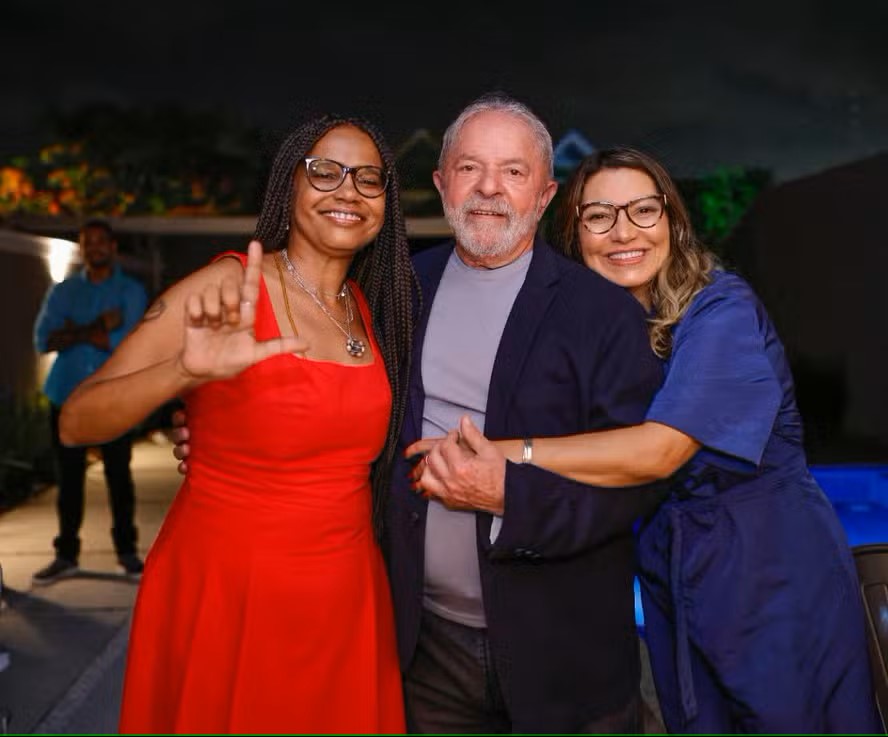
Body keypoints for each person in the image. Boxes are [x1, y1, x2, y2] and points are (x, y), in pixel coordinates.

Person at [170, 94, 662, 733]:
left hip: (562, 651)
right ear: (440, 183)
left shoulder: (603, 314)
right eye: (469, 168)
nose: (489, 188)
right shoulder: (397, 288)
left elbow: (640, 479)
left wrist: (511, 495)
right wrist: (221, 428)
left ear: (544, 195)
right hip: (423, 650)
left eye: (513, 172)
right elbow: (335, 405)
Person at [410, 147, 882, 733]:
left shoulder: (720, 308)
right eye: (599, 216)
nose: (622, 232)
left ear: (672, 221)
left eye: (642, 211)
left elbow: (659, 451)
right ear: (574, 233)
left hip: (766, 564)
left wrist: (506, 450)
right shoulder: (598, 329)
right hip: (670, 562)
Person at [59, 114, 417, 733]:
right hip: (231, 594)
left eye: (368, 178)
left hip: (347, 598)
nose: (348, 191)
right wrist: (182, 372)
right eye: (324, 171)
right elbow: (77, 420)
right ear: (289, 186)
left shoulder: (368, 304)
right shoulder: (228, 286)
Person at [32, 218, 148, 583]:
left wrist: (73, 332)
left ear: (113, 248)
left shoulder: (130, 291)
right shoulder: (63, 291)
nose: (94, 247)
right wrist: (99, 326)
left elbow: (130, 346)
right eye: (88, 242)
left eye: (101, 241)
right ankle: (66, 555)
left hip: (113, 396)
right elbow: (43, 340)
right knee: (68, 478)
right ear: (82, 249)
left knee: (118, 475)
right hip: (66, 395)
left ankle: (127, 553)